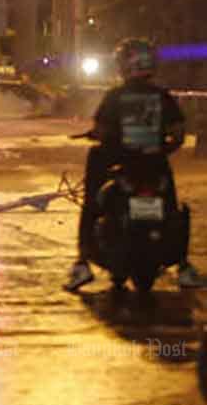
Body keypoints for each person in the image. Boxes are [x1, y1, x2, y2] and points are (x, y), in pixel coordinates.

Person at [66, 38, 206, 292]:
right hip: (153, 164)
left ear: (123, 65)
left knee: (91, 203)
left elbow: (102, 130)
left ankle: (82, 263)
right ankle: (184, 266)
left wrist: (99, 136)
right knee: (171, 206)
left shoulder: (115, 96)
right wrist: (161, 150)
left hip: (118, 163)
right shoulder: (162, 96)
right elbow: (178, 135)